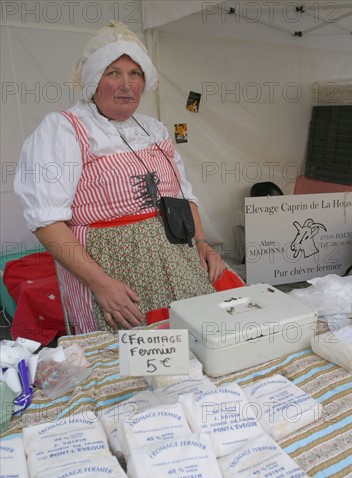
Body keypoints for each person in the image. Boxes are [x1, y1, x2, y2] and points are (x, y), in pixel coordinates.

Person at [14, 22, 240, 335]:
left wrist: (202, 242)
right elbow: (46, 221)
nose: (126, 84)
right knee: (132, 359)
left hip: (177, 258)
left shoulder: (153, 129)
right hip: (112, 272)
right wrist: (101, 284)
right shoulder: (63, 129)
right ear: (94, 81)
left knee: (205, 335)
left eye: (135, 74)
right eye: (113, 73)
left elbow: (184, 195)